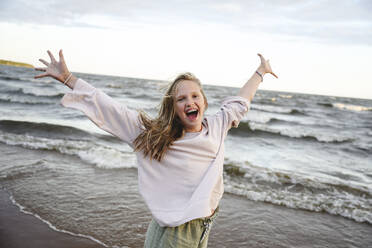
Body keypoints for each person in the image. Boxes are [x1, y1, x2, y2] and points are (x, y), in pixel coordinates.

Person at [34, 50, 277, 247]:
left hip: (196, 224)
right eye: (181, 99)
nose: (189, 102)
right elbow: (113, 110)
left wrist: (260, 72)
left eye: (195, 96)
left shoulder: (217, 125)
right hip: (176, 225)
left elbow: (241, 100)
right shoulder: (155, 136)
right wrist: (68, 79)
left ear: (204, 100)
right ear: (173, 107)